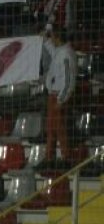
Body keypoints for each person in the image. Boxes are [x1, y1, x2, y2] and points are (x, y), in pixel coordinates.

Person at [42, 26, 75, 168]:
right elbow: (50, 47)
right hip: (53, 95)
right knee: (51, 129)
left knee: (59, 129)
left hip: (58, 96)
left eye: (53, 37)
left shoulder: (67, 54)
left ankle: (65, 158)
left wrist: (61, 99)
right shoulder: (60, 51)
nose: (52, 40)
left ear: (58, 38)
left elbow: (69, 80)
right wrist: (45, 37)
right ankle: (49, 158)